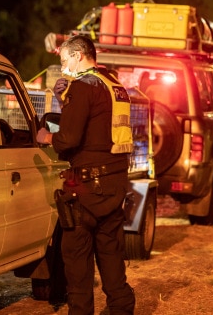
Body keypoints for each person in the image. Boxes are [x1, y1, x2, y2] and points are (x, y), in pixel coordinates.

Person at [36, 35, 136, 314]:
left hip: (87, 186)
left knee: (77, 261)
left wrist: (46, 137)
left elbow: (68, 138)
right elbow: (98, 125)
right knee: (110, 252)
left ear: (78, 55)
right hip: (115, 182)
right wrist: (64, 100)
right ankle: (122, 306)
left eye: (65, 60)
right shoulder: (115, 85)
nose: (64, 67)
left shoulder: (83, 86)